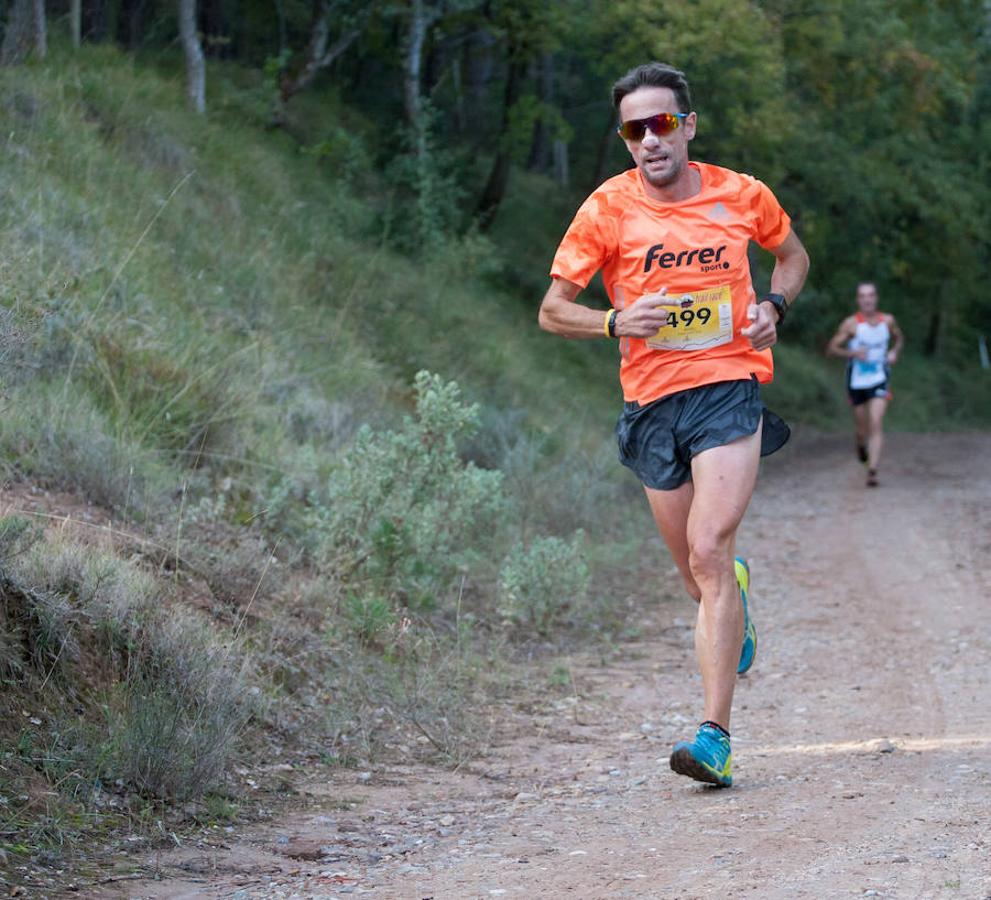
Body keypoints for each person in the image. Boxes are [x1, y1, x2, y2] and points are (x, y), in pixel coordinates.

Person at [538, 62, 809, 787]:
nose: (650, 139)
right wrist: (613, 320)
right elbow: (550, 308)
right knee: (698, 573)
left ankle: (714, 738)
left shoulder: (740, 194)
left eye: (663, 123)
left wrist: (773, 308)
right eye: (635, 128)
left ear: (687, 125)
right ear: (624, 138)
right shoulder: (606, 210)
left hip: (727, 386)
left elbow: (791, 257)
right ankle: (733, 601)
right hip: (652, 402)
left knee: (710, 546)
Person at [826, 282, 903, 487]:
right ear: (858, 300)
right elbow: (831, 349)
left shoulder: (888, 321)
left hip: (880, 377)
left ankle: (872, 470)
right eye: (862, 296)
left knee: (876, 421)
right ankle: (861, 445)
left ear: (876, 298)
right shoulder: (852, 324)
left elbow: (899, 338)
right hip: (856, 380)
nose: (867, 299)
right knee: (862, 429)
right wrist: (851, 353)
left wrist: (895, 351)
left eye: (870, 295)